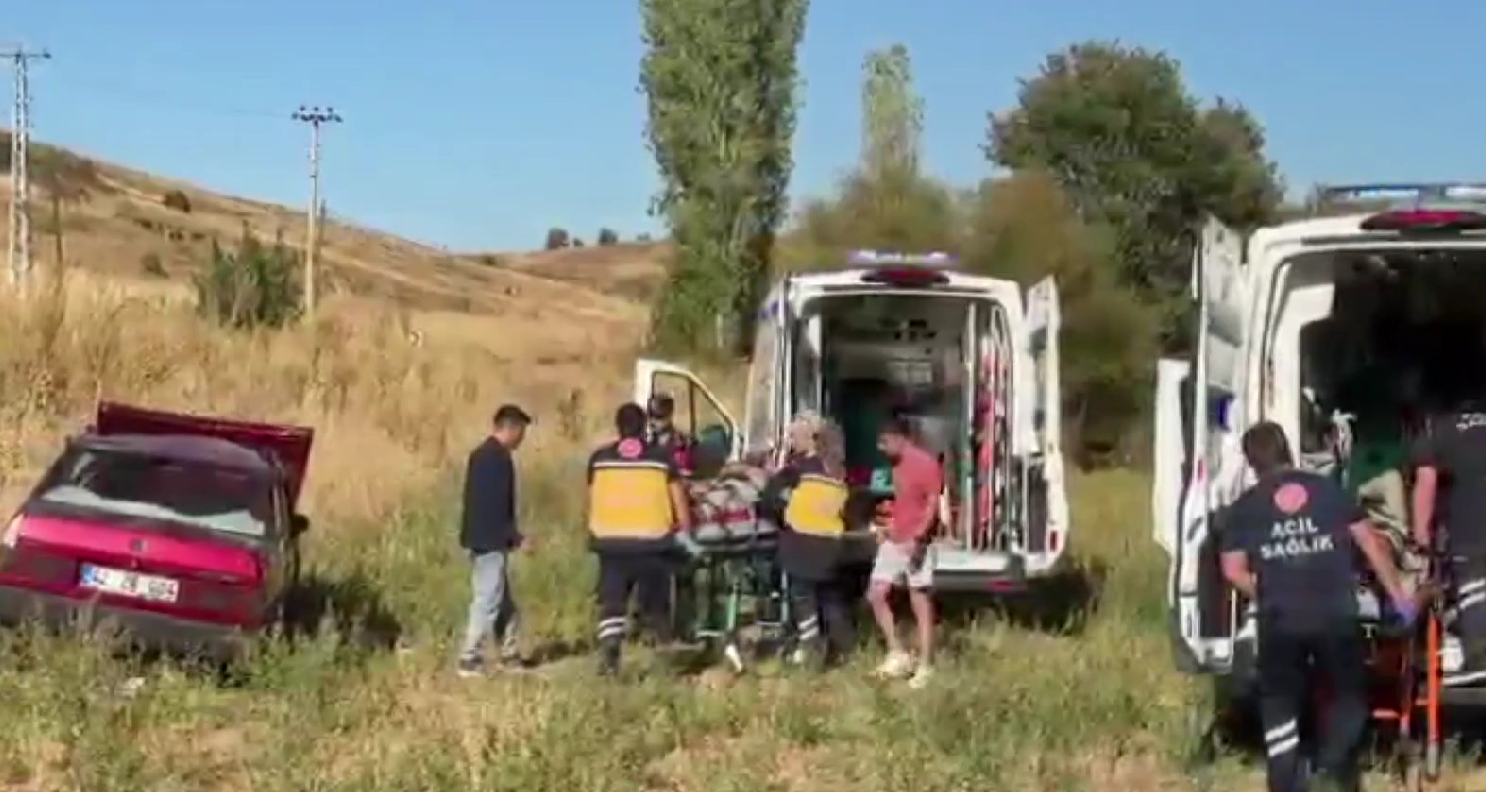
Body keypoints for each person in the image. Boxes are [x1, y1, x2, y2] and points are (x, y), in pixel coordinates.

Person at [1219, 422, 1417, 792]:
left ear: (1251, 463)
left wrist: (1269, 590)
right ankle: (1334, 771)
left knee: (1280, 701)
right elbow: (1371, 545)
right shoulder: (1329, 491)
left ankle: (1286, 782)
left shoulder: (1244, 507)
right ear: (1287, 450)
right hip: (1334, 610)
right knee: (1347, 695)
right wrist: (1399, 599)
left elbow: (1232, 570)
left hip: (1279, 617)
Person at [588, 402, 692, 675]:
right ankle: (664, 655)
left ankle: (610, 651)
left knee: (613, 601)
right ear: (644, 427)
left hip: (610, 541)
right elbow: (678, 499)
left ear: (618, 427)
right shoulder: (661, 459)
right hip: (651, 542)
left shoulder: (599, 459)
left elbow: (593, 497)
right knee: (656, 603)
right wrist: (686, 530)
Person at [765, 413, 853, 669]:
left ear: (810, 439)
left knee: (803, 598)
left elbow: (769, 497)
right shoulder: (837, 470)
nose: (791, 441)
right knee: (831, 598)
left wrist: (781, 506)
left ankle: (810, 648)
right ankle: (843, 650)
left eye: (794, 436)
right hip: (832, 545)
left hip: (801, 543)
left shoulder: (797, 470)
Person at [1411, 391, 1486, 686]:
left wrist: (1420, 538)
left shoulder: (1437, 431)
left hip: (1469, 527)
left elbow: (1426, 483)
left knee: (1474, 588)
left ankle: (1479, 657)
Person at [864, 416, 942, 689]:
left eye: (884, 442)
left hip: (917, 541)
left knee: (919, 600)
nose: (880, 448)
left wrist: (919, 537)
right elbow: (903, 502)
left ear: (900, 438)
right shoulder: (895, 465)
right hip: (895, 538)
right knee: (876, 593)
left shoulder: (926, 463)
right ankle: (897, 653)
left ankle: (926, 664)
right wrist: (887, 528)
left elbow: (932, 503)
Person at [456, 404, 533, 677]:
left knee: (505, 605)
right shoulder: (497, 459)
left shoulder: (481, 455)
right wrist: (515, 537)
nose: (523, 438)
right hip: (490, 541)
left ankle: (510, 654)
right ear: (511, 428)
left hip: (480, 537)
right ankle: (469, 658)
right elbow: (497, 505)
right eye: (522, 431)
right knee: (488, 600)